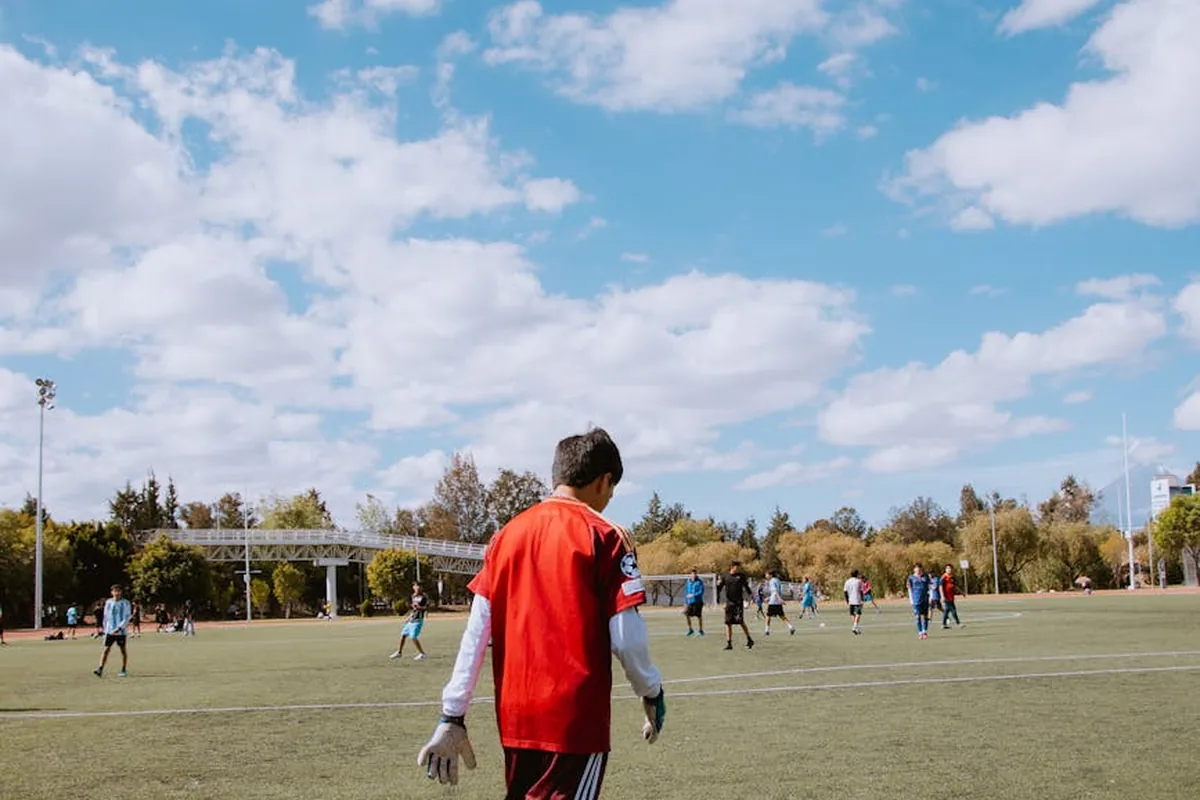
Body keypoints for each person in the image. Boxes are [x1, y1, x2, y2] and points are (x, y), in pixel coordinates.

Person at [417, 428, 665, 796]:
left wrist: (452, 713)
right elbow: (627, 638)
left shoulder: (504, 537)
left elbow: (477, 632)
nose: (610, 498)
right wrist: (651, 692)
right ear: (603, 481)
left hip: (516, 716)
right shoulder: (606, 535)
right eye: (612, 489)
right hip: (573, 721)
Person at [94, 584, 132, 677]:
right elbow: (106, 616)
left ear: (121, 592)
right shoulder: (108, 602)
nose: (117, 593)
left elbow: (127, 617)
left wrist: (120, 627)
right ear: (112, 592)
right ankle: (100, 668)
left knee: (122, 650)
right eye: (115, 591)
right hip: (110, 630)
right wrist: (104, 628)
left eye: (118, 591)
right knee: (106, 649)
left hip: (120, 631)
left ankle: (123, 669)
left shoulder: (125, 603)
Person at [717, 562, 755, 650]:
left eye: (738, 567)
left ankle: (749, 639)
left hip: (738, 603)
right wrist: (718, 584)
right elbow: (719, 588)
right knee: (727, 623)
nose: (737, 569)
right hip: (729, 603)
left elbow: (746, 587)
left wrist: (751, 597)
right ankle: (729, 644)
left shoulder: (741, 576)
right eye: (736, 567)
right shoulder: (725, 576)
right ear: (732, 567)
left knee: (740, 621)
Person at [391, 583, 429, 661]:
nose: (417, 588)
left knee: (413, 637)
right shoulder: (413, 596)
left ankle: (422, 654)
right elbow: (414, 609)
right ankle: (399, 652)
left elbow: (425, 607)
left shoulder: (423, 597)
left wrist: (419, 607)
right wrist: (409, 617)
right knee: (403, 635)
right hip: (412, 619)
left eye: (418, 586)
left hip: (418, 620)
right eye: (416, 586)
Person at [762, 570, 795, 636]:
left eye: (767, 574)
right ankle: (791, 627)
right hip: (777, 601)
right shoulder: (777, 580)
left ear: (770, 575)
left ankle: (767, 630)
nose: (766, 576)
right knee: (782, 616)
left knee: (768, 615)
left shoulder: (771, 581)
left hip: (773, 601)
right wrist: (770, 598)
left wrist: (780, 600)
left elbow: (775, 591)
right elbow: (776, 592)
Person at [907, 564, 931, 639]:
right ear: (914, 569)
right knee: (917, 616)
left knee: (925, 616)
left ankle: (924, 631)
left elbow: (930, 587)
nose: (918, 570)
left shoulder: (926, 576)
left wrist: (931, 597)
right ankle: (920, 632)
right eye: (916, 568)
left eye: (919, 569)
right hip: (916, 599)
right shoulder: (911, 577)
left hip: (925, 599)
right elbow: (909, 589)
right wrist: (911, 599)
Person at [683, 569, 706, 637]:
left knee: (699, 616)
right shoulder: (688, 582)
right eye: (692, 574)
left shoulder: (699, 582)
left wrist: (693, 595)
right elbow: (686, 591)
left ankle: (701, 630)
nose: (693, 575)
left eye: (694, 574)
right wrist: (685, 601)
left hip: (698, 602)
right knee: (686, 614)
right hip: (690, 602)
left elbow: (701, 592)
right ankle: (690, 629)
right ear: (690, 575)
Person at [941, 565, 963, 629]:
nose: (949, 569)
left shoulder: (952, 577)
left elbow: (955, 586)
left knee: (947, 610)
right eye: (948, 568)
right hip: (946, 597)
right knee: (953, 610)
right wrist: (942, 596)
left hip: (951, 596)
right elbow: (940, 587)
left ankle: (943, 624)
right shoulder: (944, 577)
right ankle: (958, 623)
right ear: (945, 569)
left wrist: (961, 592)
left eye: (950, 568)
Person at [844, 569, 865, 635]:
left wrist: (847, 600)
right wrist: (862, 599)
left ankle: (856, 628)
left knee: (852, 614)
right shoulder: (859, 581)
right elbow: (861, 591)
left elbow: (845, 592)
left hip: (850, 600)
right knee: (858, 613)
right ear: (857, 574)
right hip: (857, 600)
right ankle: (855, 626)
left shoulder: (847, 581)